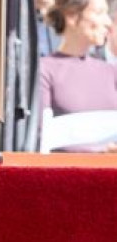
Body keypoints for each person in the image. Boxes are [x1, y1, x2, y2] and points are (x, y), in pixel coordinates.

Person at [39, 0, 117, 150]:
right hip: (67, 171)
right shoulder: (44, 70)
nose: (108, 22)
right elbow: (41, 139)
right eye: (99, 12)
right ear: (72, 16)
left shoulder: (111, 72)